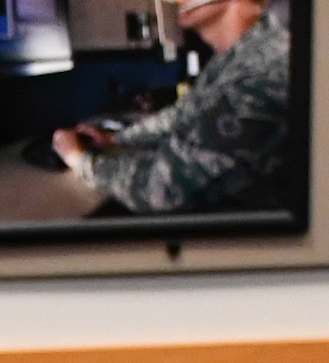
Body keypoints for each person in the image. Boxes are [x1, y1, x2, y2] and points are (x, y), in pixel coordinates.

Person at [52, 0, 290, 213]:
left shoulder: (263, 72)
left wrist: (79, 159)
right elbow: (182, 115)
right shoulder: (237, 55)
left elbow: (160, 190)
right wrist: (117, 139)